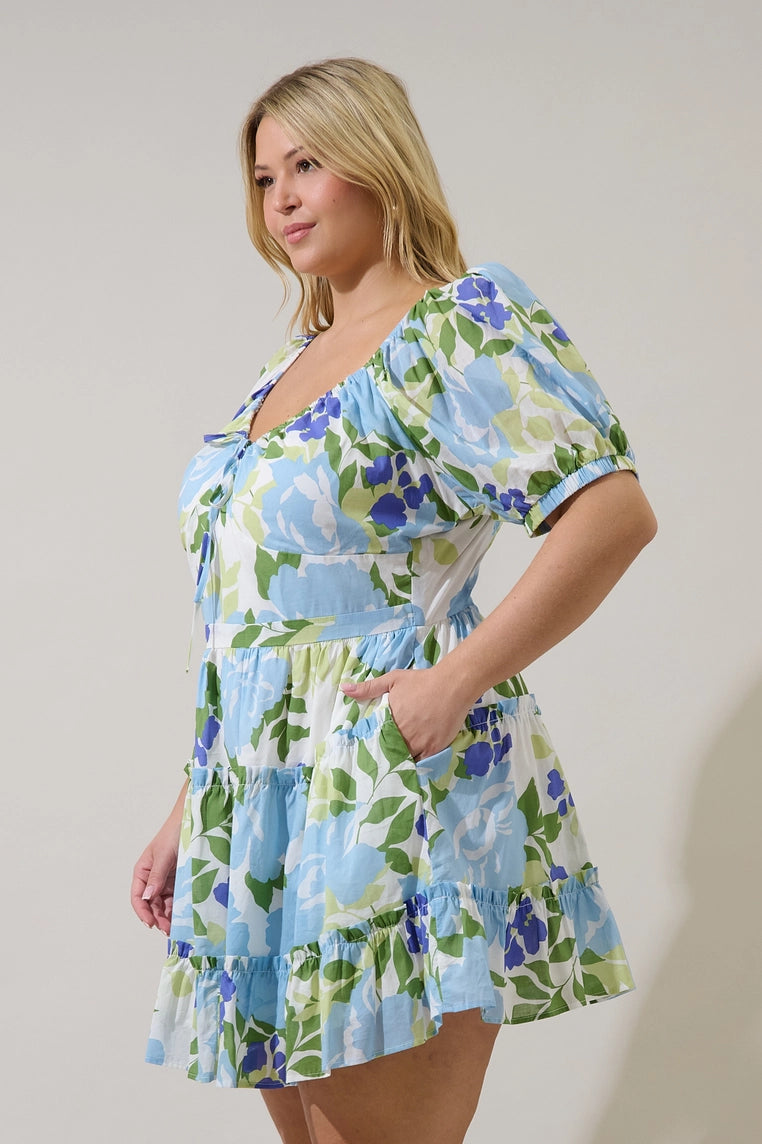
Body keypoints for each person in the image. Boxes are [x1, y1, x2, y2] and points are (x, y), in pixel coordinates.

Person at [131, 57, 657, 1144]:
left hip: (386, 784)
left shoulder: (453, 327)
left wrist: (456, 679)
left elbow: (611, 513)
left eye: (307, 165)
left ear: (377, 162)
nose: (281, 199)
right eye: (264, 177)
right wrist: (194, 801)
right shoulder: (292, 366)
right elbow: (255, 615)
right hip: (266, 801)